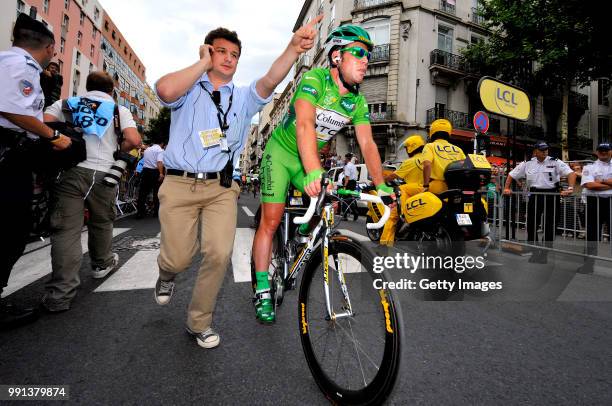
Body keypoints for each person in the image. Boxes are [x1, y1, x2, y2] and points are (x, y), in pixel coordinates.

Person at [153, 19, 322, 349]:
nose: (229, 58)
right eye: (220, 52)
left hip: (220, 188)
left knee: (219, 253)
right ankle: (166, 273)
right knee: (177, 258)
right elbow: (164, 90)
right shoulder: (188, 88)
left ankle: (199, 321)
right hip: (178, 184)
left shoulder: (243, 98)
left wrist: (293, 47)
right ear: (207, 52)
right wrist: (202, 63)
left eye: (235, 54)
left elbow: (271, 80)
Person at [252, 25, 393, 324]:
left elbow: (367, 143)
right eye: (358, 53)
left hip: (308, 160)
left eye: (367, 54)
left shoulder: (357, 101)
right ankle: (262, 288)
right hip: (281, 155)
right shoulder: (314, 80)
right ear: (337, 57)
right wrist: (315, 170)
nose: (365, 59)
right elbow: (304, 125)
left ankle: (303, 236)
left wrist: (381, 186)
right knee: (271, 220)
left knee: (327, 200)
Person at [41, 71, 141, 312]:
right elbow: (134, 139)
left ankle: (60, 295)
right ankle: (101, 264)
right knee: (102, 222)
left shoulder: (66, 104)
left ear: (87, 86)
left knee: (66, 231)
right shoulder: (119, 110)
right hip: (106, 173)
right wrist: (119, 150)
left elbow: (43, 125)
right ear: (111, 90)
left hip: (71, 171)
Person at [0, 13, 72, 328]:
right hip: (7, 156)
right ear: (50, 48)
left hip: (12, 154)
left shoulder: (6, 61)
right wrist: (54, 136)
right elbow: (12, 109)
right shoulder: (23, 67)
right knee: (12, 229)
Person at [503, 141, 576, 264]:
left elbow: (571, 173)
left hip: (551, 195)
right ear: (535, 151)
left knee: (550, 226)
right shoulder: (528, 164)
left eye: (546, 149)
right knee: (531, 225)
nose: (544, 152)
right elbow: (511, 174)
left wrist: (570, 188)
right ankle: (535, 250)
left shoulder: (555, 161)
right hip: (535, 195)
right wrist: (506, 187)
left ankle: (545, 253)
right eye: (541, 150)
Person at [380, 135, 426, 245]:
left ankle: (384, 244)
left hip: (412, 192)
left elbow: (393, 176)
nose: (406, 151)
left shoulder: (411, 161)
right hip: (428, 191)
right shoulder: (428, 159)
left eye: (406, 148)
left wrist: (380, 180)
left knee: (392, 217)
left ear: (412, 147)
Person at [578, 142, 612, 273]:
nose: (603, 152)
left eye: (606, 150)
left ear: (611, 151)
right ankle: (588, 266)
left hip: (610, 201)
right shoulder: (589, 167)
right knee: (592, 236)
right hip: (594, 202)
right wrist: (608, 183)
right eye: (601, 150)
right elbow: (588, 185)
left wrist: (599, 181)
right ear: (597, 152)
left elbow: (594, 184)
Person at [421, 118, 466, 194]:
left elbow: (427, 165)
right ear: (449, 133)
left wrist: (426, 185)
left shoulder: (430, 146)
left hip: (437, 186)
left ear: (432, 132)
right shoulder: (458, 149)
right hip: (455, 187)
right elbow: (466, 166)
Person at [136, 139, 165, 218]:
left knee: (143, 193)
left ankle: (140, 212)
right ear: (161, 143)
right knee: (156, 192)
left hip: (145, 171)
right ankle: (156, 212)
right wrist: (161, 173)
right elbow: (159, 162)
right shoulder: (160, 150)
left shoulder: (147, 150)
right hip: (155, 172)